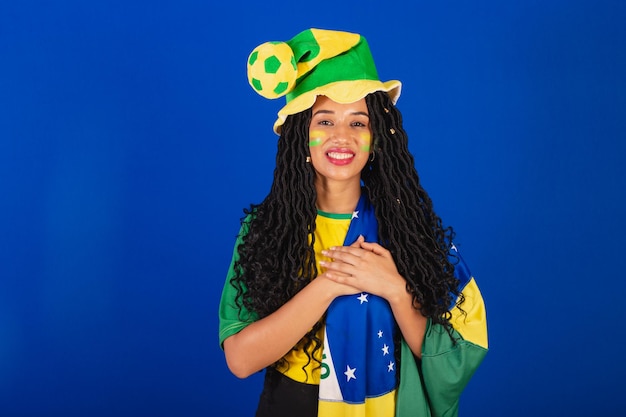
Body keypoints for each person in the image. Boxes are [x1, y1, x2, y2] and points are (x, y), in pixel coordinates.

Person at [218, 28, 488, 417]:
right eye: (324, 121)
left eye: (358, 123)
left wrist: (395, 288)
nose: (341, 137)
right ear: (300, 136)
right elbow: (240, 360)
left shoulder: (412, 231)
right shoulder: (265, 230)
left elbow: (459, 352)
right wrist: (330, 283)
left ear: (376, 137)